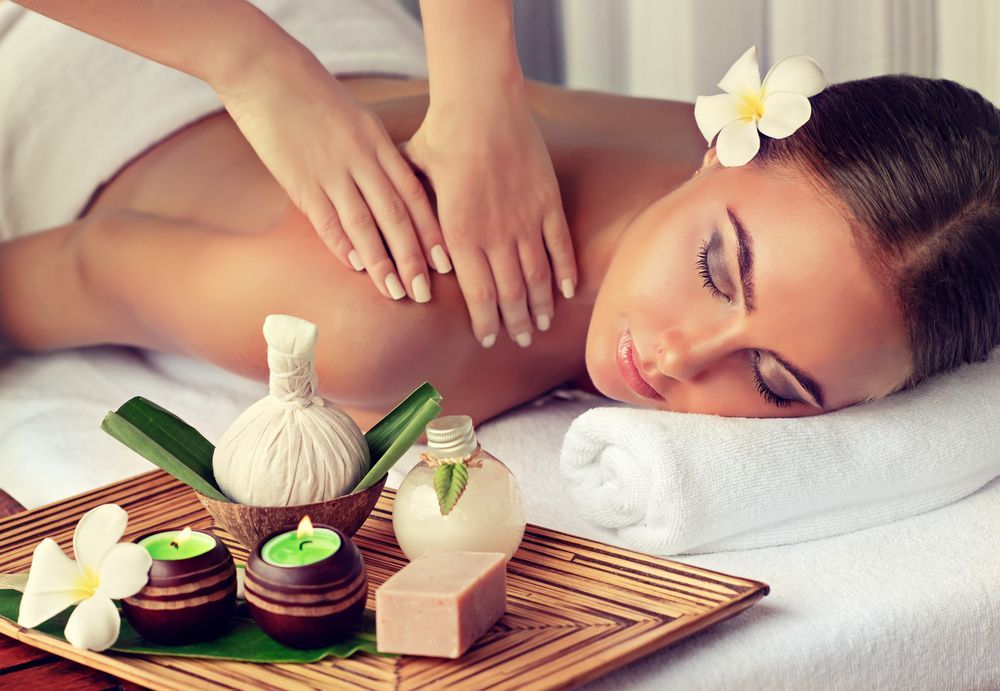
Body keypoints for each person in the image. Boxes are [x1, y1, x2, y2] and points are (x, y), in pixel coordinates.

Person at [0, 4, 997, 430]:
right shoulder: (382, 311)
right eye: (712, 268)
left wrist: (476, 78)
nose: (680, 357)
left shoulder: (759, 174)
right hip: (66, 56)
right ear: (724, 150)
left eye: (776, 384)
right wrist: (249, 60)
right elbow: (46, 278)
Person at [8, 0, 578, 351]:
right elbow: (81, 267)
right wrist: (248, 60)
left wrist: (478, 91)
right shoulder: (357, 321)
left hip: (344, 26)